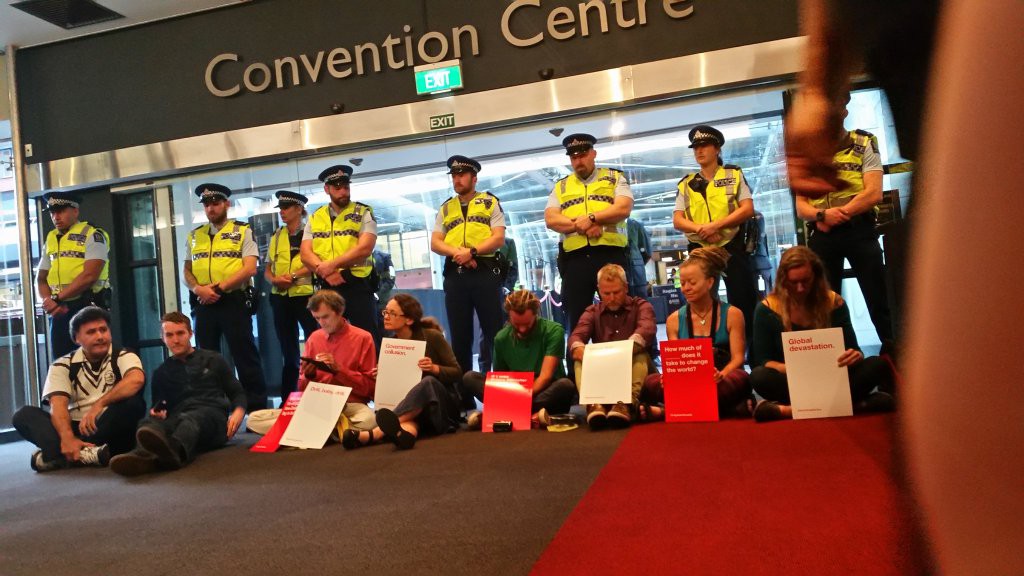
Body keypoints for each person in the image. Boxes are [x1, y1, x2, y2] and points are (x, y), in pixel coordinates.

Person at [749, 246, 894, 422]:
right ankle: (854, 406)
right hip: (794, 382)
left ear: (816, 276)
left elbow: (854, 350)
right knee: (758, 376)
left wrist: (855, 356)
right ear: (783, 280)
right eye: (794, 282)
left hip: (833, 379)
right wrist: (795, 369)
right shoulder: (767, 308)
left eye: (806, 281)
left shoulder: (833, 302)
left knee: (878, 364)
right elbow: (763, 360)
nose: (801, 288)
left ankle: (789, 410)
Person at [794, 93, 893, 344]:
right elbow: (801, 206)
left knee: (878, 299)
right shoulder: (808, 152)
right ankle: (835, 360)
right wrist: (822, 215)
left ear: (844, 112)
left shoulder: (864, 142)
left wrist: (839, 214)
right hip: (822, 233)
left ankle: (895, 357)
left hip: (859, 230)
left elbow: (873, 193)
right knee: (824, 304)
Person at [108, 312, 246, 476]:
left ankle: (172, 454)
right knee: (148, 424)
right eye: (169, 335)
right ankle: (143, 457)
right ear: (163, 339)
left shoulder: (213, 359)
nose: (175, 339)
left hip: (212, 418)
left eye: (180, 333)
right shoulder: (161, 372)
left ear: (190, 334)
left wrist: (238, 412)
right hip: (178, 417)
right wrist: (157, 412)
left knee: (192, 419)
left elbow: (237, 392)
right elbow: (160, 406)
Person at [12, 306, 145, 472]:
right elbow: (58, 405)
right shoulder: (62, 365)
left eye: (103, 330)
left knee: (133, 404)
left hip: (106, 425)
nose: (100, 336)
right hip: (73, 425)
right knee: (23, 415)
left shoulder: (125, 355)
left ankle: (56, 456)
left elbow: (136, 380)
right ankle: (85, 453)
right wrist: (67, 437)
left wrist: (99, 405)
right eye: (91, 332)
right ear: (76, 338)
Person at [183, 183, 266, 411]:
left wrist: (218, 289)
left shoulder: (242, 230)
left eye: (215, 203)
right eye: (207, 204)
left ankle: (256, 409)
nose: (211, 208)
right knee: (205, 361)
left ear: (226, 204)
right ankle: (213, 410)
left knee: (244, 356)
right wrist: (198, 289)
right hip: (203, 303)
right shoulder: (194, 236)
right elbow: (187, 270)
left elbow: (249, 268)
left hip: (232, 301)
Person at [644, 247, 753, 420]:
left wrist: (721, 375)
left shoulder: (733, 314)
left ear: (710, 282)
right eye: (682, 282)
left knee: (742, 379)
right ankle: (723, 409)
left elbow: (738, 359)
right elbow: (675, 362)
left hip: (721, 377)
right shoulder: (674, 319)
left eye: (692, 283)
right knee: (651, 382)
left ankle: (673, 410)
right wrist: (669, 378)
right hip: (689, 381)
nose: (686, 288)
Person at [673, 125, 758, 344]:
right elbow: (678, 219)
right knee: (701, 304)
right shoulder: (686, 184)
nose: (699, 151)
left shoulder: (734, 174)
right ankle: (706, 356)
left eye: (704, 146)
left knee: (743, 301)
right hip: (700, 250)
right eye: (696, 148)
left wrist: (716, 226)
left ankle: (749, 357)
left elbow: (747, 208)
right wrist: (701, 229)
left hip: (732, 247)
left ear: (717, 149)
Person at [343, 294, 462, 451]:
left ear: (409, 320)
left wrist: (434, 368)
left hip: (442, 408)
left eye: (392, 313)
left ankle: (374, 434)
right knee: (410, 417)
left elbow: (457, 372)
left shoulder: (432, 336)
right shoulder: (392, 345)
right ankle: (404, 436)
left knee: (428, 383)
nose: (386, 317)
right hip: (416, 411)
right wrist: (383, 376)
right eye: (385, 312)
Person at [544, 133, 633, 337]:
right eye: (574, 158)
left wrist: (593, 218)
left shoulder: (614, 177)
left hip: (610, 257)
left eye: (583, 155)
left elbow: (623, 208)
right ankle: (576, 369)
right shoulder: (561, 186)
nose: (578, 161)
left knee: (619, 317)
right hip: (575, 261)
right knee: (575, 322)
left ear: (593, 154)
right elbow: (551, 219)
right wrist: (581, 225)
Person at [429, 155, 506, 389]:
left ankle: (503, 391)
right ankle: (462, 396)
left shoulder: (490, 203)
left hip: (485, 271)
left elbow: (498, 238)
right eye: (454, 175)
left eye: (461, 175)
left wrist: (471, 252)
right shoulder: (446, 208)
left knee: (495, 334)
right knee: (460, 338)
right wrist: (458, 254)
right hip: (456, 274)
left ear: (474, 178)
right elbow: (435, 242)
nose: (457, 179)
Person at [463, 290, 579, 427]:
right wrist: (514, 395)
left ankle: (503, 413)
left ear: (536, 314)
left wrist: (520, 397)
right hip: (515, 390)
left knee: (566, 385)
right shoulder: (501, 338)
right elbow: (501, 380)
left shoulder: (554, 331)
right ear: (509, 317)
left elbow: (545, 377)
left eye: (527, 324)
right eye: (517, 324)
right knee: (469, 377)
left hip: (543, 389)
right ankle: (529, 414)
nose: (522, 329)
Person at [299, 165, 381, 346]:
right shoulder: (315, 217)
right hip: (328, 286)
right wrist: (327, 272)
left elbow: (365, 248)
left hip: (358, 284)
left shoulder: (363, 212)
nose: (343, 192)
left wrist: (331, 265)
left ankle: (372, 374)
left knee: (368, 338)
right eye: (337, 188)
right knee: (329, 340)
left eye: (346, 187)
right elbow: (305, 254)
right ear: (327, 189)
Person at [568, 264, 657, 429]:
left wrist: (615, 356)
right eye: (606, 293)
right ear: (598, 290)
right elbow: (576, 337)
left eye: (616, 292)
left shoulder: (642, 306)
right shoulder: (591, 311)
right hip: (604, 373)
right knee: (579, 359)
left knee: (639, 353)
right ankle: (593, 404)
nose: (611, 298)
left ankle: (627, 404)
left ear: (626, 287)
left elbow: (646, 331)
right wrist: (579, 349)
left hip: (634, 371)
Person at [36, 192, 111, 359]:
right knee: (62, 363)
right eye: (52, 213)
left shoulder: (93, 235)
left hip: (87, 306)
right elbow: (41, 278)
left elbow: (89, 276)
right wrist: (50, 303)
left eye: (61, 211)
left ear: (75, 211)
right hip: (59, 311)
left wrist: (57, 299)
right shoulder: (51, 239)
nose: (56, 217)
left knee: (94, 361)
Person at [265, 190, 318, 406]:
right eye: (281, 209)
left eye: (286, 208)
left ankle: (316, 393)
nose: (282, 213)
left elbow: (316, 262)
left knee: (315, 346)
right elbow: (267, 269)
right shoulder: (277, 236)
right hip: (281, 298)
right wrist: (274, 280)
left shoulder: (312, 233)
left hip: (306, 297)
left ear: (298, 209)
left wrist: (294, 276)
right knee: (288, 351)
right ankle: (289, 399)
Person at [299, 290, 378, 430]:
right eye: (317, 318)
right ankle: (335, 429)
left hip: (350, 405)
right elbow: (301, 389)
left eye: (325, 317)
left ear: (340, 311)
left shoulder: (363, 338)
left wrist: (339, 370)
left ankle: (319, 429)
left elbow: (369, 389)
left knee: (369, 420)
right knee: (255, 419)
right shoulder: (314, 338)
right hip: (319, 403)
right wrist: (308, 376)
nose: (321, 323)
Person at [625, 218, 652, 299]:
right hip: (621, 271)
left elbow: (647, 251)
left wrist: (638, 263)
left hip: (637, 273)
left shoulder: (637, 225)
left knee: (640, 302)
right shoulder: (610, 224)